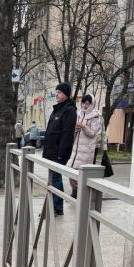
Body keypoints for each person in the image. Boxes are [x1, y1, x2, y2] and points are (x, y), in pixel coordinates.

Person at [42, 82, 77, 216]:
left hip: (58, 153)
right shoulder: (58, 109)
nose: (56, 94)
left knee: (55, 179)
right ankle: (57, 207)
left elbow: (67, 134)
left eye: (59, 92)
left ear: (66, 94)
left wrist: (61, 154)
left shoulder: (69, 110)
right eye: (56, 92)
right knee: (55, 179)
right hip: (51, 152)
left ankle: (55, 207)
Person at [67, 93, 102, 198]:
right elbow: (72, 130)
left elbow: (93, 133)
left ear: (91, 104)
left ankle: (80, 193)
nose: (84, 106)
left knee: (80, 174)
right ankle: (75, 190)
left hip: (86, 150)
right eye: (83, 103)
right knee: (71, 171)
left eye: (87, 104)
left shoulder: (95, 116)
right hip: (76, 149)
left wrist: (83, 126)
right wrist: (76, 129)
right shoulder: (78, 114)